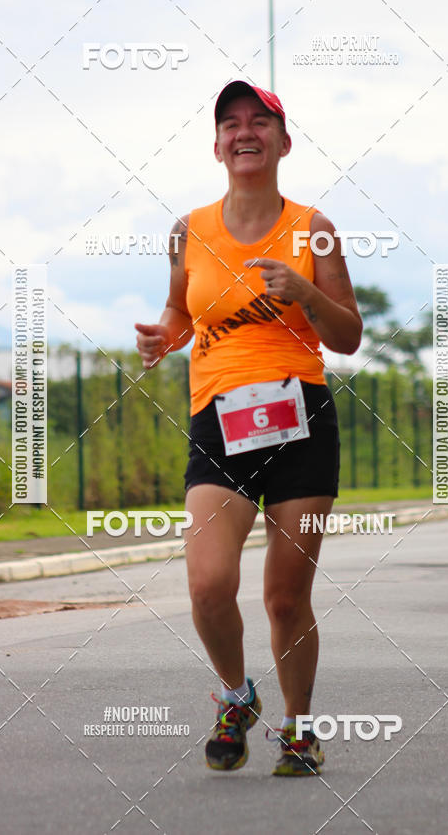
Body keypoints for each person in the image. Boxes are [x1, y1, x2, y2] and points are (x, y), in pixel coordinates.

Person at [135, 80, 362, 776]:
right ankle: (237, 696)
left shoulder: (313, 227)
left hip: (300, 420)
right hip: (218, 426)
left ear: (283, 142)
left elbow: (348, 335)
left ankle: (299, 730)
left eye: (259, 122)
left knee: (286, 597)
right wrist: (162, 338)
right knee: (208, 585)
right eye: (230, 123)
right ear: (216, 146)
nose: (244, 132)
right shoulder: (188, 231)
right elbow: (181, 312)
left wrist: (306, 293)